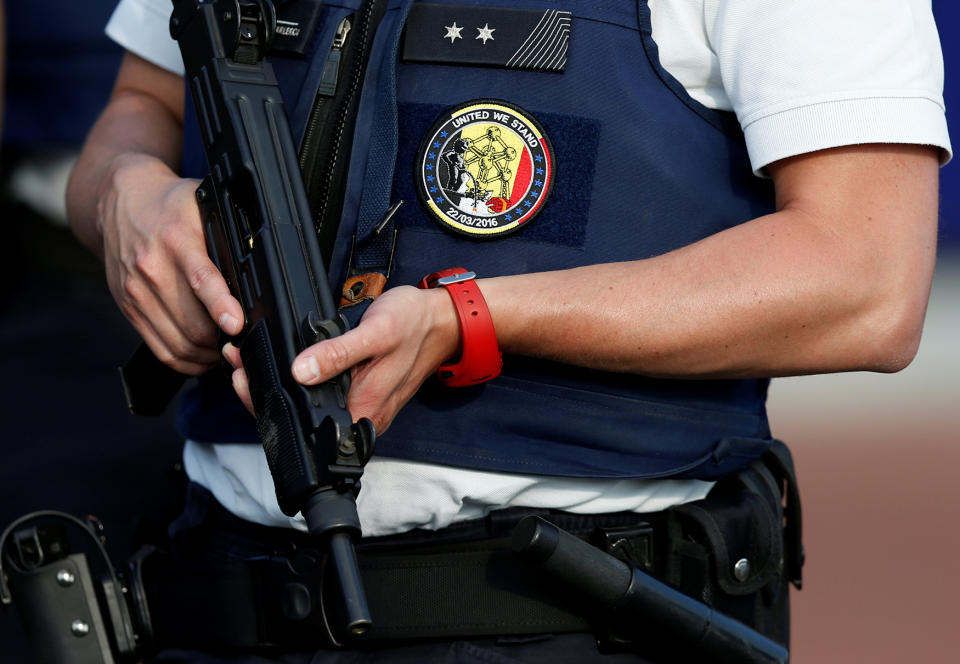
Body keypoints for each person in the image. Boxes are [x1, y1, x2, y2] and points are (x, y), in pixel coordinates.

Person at [66, 0, 951, 662]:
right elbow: (143, 98)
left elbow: (865, 283)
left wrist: (471, 319)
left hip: (572, 612)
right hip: (213, 593)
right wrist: (124, 196)